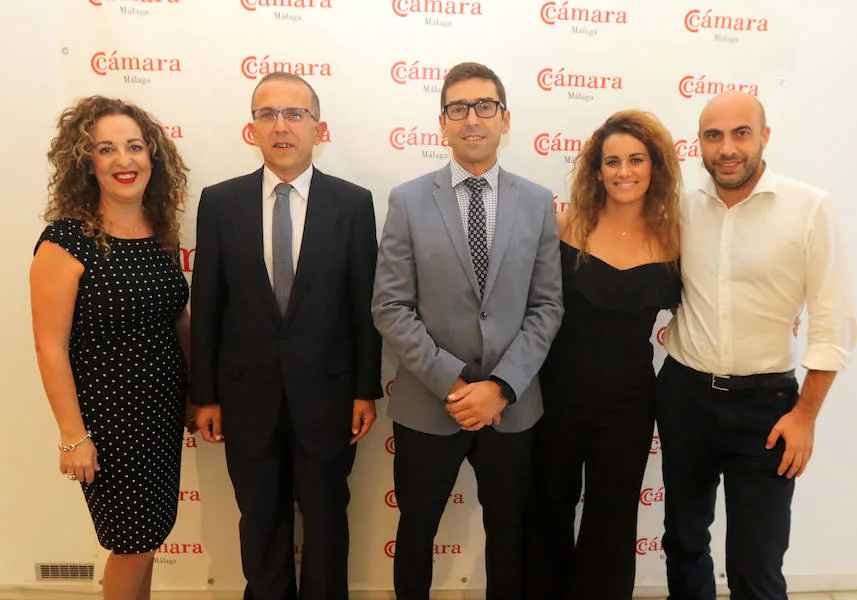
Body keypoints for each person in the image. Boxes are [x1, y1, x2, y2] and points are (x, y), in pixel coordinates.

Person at [372, 61, 564, 600]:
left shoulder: (537, 201)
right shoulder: (407, 201)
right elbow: (389, 305)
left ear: (505, 119)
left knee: (510, 536)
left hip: (512, 407)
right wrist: (455, 386)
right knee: (415, 536)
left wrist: (499, 387)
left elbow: (547, 306)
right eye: (459, 108)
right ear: (442, 123)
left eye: (485, 106)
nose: (472, 118)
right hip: (431, 404)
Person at [658, 91, 857, 600]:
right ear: (698, 143)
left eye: (740, 133)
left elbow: (834, 323)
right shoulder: (677, 204)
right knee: (683, 541)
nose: (727, 148)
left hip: (767, 408)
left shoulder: (811, 207)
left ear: (764, 136)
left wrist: (805, 415)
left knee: (757, 564)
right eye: (713, 136)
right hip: (685, 395)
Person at [190, 72, 382, 600]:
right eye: (267, 114)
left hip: (328, 396)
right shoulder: (220, 202)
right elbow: (207, 303)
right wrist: (204, 394)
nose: (281, 126)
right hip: (246, 395)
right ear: (252, 128)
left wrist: (366, 388)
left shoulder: (352, 203)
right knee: (260, 524)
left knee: (325, 525)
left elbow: (364, 306)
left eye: (295, 114)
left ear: (318, 128)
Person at [30, 96, 192, 600]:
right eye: (106, 149)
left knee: (148, 537)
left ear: (153, 157)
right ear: (87, 162)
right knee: (132, 542)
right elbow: (48, 346)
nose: (124, 160)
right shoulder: (65, 241)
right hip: (109, 422)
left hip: (160, 417)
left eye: (135, 147)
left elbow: (175, 322)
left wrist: (195, 393)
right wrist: (72, 436)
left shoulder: (159, 234)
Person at [524, 110, 683, 599]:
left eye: (636, 159)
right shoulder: (562, 227)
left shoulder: (676, 238)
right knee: (547, 511)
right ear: (596, 170)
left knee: (613, 520)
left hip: (630, 404)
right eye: (611, 161)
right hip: (557, 396)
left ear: (654, 166)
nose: (623, 171)